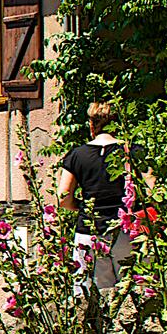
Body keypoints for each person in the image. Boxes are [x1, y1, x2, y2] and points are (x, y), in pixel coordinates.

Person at [59, 99, 136, 291]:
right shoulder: (131, 151)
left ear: (92, 125)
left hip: (89, 232)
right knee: (134, 292)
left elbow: (62, 196)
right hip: (125, 231)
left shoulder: (77, 155)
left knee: (89, 295)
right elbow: (152, 189)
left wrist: (81, 206)